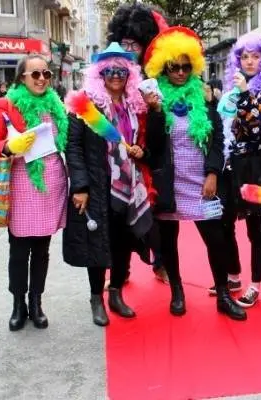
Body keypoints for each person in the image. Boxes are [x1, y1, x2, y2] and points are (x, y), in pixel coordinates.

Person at [143, 26, 247, 321]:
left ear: (193, 67)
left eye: (185, 67)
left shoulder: (203, 98)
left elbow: (216, 141)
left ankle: (224, 294)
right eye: (173, 67)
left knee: (215, 238)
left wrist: (213, 173)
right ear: (164, 67)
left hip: (201, 182)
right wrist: (153, 113)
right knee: (168, 241)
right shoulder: (155, 99)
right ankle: (177, 291)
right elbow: (151, 145)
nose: (179, 72)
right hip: (168, 183)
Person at [64, 43, 159, 326]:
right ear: (99, 74)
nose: (116, 76)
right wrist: (80, 186)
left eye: (121, 71)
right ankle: (97, 298)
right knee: (98, 244)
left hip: (131, 186)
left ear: (130, 75)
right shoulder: (84, 104)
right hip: (97, 184)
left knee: (124, 240)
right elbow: (73, 147)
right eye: (109, 71)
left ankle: (116, 292)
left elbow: (146, 139)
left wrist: (142, 149)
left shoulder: (135, 105)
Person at [0, 54, 68, 331]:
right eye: (35, 74)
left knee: (42, 250)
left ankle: (36, 302)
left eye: (46, 74)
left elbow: (65, 142)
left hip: (51, 184)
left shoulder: (56, 105)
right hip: (20, 185)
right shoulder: (6, 105)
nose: (42, 79)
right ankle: (18, 304)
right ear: (22, 78)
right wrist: (8, 146)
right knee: (19, 250)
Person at [214, 32, 261, 307]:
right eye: (245, 56)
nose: (250, 61)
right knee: (225, 221)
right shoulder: (232, 86)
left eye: (256, 56)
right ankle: (233, 275)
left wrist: (244, 95)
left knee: (256, 225)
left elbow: (260, 128)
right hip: (231, 164)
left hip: (255, 165)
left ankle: (255, 284)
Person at [107, 1, 170, 283]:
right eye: (125, 43)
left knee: (151, 211)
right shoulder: (111, 76)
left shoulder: (157, 76)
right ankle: (121, 269)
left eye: (135, 44)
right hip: (118, 155)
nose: (129, 49)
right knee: (119, 212)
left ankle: (160, 263)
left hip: (150, 153)